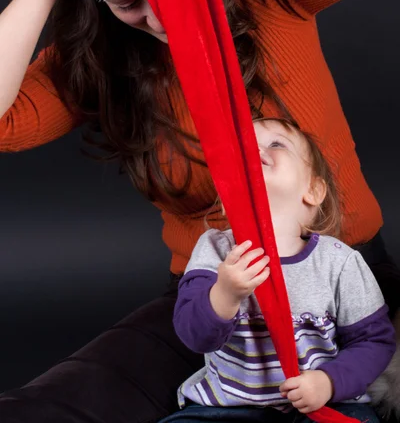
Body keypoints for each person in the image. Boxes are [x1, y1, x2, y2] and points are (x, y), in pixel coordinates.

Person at [0, 0, 399, 423]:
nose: (159, 19)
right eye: (129, 1)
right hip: (211, 296)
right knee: (60, 402)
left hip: (347, 274)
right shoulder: (96, 60)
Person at [162, 118, 396, 423]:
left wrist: (329, 382)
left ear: (312, 190)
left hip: (324, 402)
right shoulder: (215, 250)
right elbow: (194, 336)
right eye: (243, 148)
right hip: (226, 406)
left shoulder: (340, 262)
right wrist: (224, 294)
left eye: (276, 144)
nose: (255, 151)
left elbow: (375, 341)